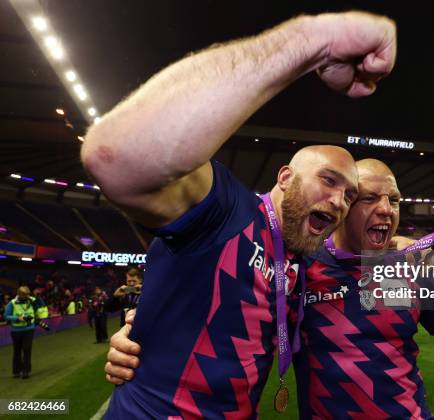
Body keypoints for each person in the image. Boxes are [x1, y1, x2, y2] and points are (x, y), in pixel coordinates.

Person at [82, 11, 396, 419]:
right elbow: (112, 156)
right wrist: (313, 40)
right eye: (329, 181)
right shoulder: (228, 209)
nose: (340, 201)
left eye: (349, 194)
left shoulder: (302, 258)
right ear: (285, 178)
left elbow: (374, 250)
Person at [106, 160, 434, 419]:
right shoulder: (298, 266)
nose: (386, 209)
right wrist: (136, 332)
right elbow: (206, 294)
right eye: (367, 198)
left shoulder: (408, 268)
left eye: (394, 199)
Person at [3, 286, 44, 379]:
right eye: (25, 295)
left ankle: (26, 371)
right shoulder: (12, 303)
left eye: (28, 294)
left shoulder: (31, 300)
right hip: (16, 330)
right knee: (17, 351)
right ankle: (16, 371)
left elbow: (41, 305)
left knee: (27, 349)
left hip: (29, 329)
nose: (27, 296)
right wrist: (17, 318)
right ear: (19, 294)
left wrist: (38, 296)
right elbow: (6, 316)